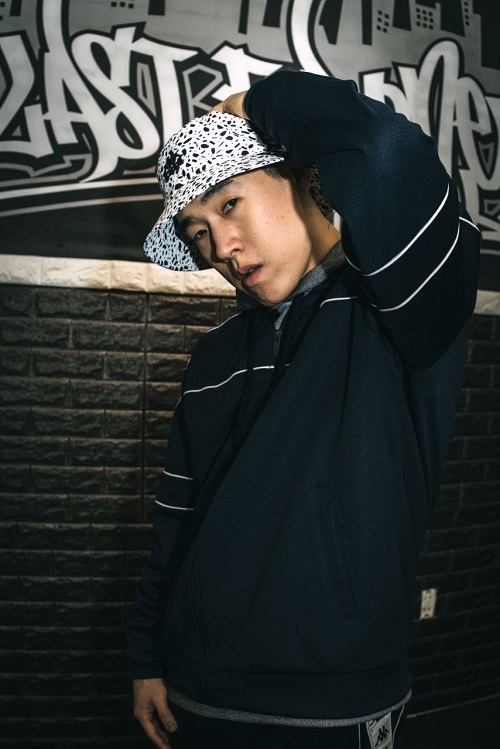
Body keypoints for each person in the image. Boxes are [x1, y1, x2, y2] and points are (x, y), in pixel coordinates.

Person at [125, 70, 480, 749]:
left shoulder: (398, 303)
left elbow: (382, 149)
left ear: (300, 175)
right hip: (194, 693)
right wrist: (146, 655)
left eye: (230, 204)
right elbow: (177, 516)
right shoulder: (214, 357)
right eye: (198, 232)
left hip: (332, 708)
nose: (219, 248)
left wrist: (256, 104)